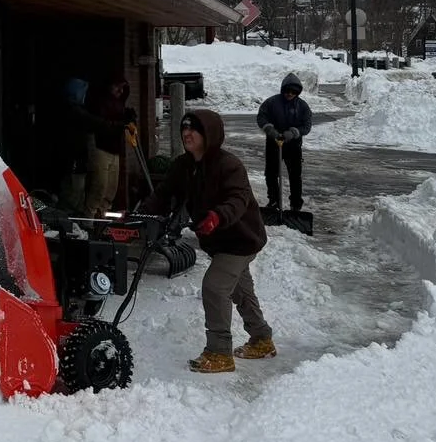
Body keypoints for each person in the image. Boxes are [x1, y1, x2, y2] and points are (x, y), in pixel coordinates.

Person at [143, 109, 275, 373]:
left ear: (209, 134)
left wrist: (217, 216)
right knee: (240, 289)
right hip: (217, 240)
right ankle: (261, 338)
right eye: (184, 128)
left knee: (215, 287)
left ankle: (219, 352)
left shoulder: (229, 165)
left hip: (240, 239)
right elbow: (163, 194)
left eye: (194, 129)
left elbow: (238, 200)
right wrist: (140, 215)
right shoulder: (183, 166)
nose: (187, 133)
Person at [57, 77, 130, 215]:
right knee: (81, 190)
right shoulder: (76, 111)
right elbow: (97, 123)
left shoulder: (81, 108)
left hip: (81, 155)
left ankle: (87, 219)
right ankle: (82, 221)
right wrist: (119, 124)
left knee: (91, 188)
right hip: (77, 156)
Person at [255, 73, 314, 214]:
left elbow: (307, 125)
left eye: (293, 92)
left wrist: (293, 133)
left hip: (293, 145)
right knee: (271, 173)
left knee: (294, 175)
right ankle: (274, 200)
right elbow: (261, 117)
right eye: (287, 91)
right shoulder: (271, 103)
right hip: (273, 142)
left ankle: (295, 204)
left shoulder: (302, 106)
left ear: (297, 92)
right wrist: (270, 129)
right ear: (283, 90)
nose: (290, 94)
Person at [84, 74, 136, 217]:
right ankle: (89, 220)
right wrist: (122, 123)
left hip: (114, 148)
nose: (120, 91)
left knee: (111, 189)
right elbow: (103, 123)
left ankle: (103, 217)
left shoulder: (119, 103)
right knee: (99, 186)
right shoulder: (98, 103)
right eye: (117, 87)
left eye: (122, 88)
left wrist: (127, 117)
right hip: (100, 146)